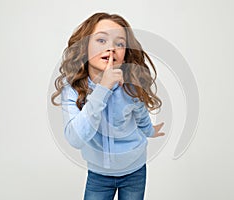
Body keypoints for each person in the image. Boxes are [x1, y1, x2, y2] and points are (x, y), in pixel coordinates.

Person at [51, 12, 165, 200]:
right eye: (102, 40)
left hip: (134, 170)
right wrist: (103, 88)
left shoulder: (130, 85)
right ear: (85, 46)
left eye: (119, 43)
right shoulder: (72, 87)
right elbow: (75, 139)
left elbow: (140, 114)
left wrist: (150, 130)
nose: (111, 48)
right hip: (99, 175)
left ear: (125, 53)